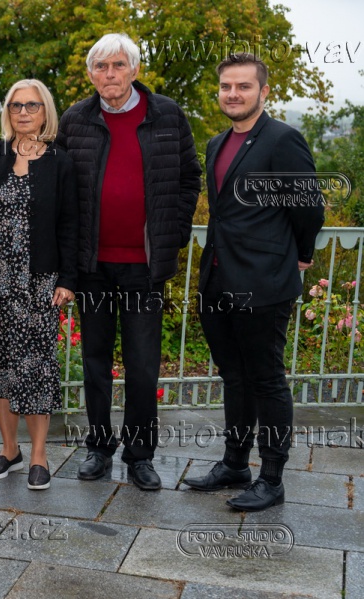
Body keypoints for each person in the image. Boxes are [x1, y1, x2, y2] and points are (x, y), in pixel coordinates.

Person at [56, 33, 201, 490]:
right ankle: (99, 448)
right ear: (90, 75)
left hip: (144, 267)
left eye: (118, 65)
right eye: (101, 67)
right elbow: (61, 187)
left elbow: (189, 177)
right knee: (95, 361)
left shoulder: (167, 114)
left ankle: (140, 455)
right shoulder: (75, 119)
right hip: (93, 266)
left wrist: (174, 232)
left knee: (142, 365)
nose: (110, 74)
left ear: (135, 70)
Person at [184, 53, 325, 511]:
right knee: (234, 377)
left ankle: (272, 478)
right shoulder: (216, 143)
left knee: (267, 380)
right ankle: (234, 464)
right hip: (218, 279)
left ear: (263, 91)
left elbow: (309, 209)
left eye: (243, 86)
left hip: (264, 281)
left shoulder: (283, 139)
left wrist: (300, 255)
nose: (233, 94)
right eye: (226, 86)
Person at [0, 79, 79, 490]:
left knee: (35, 364)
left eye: (32, 105)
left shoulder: (61, 162)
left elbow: (71, 224)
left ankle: (38, 455)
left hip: (37, 280)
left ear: (45, 111)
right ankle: (9, 449)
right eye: (16, 106)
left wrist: (67, 279)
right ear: (8, 112)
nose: (24, 112)